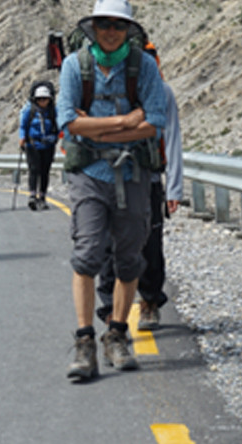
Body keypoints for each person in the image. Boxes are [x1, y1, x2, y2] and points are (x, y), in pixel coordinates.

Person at [57, 0, 167, 381]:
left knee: (129, 256)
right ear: (93, 28)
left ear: (128, 31)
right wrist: (123, 124)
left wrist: (98, 129)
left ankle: (117, 333)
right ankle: (86, 339)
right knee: (87, 252)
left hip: (133, 173)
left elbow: (154, 121)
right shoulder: (74, 66)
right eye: (104, 24)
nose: (110, 32)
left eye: (118, 25)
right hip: (89, 174)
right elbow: (69, 121)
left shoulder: (145, 67)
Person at [95, 56, 184, 332]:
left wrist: (174, 187)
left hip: (148, 178)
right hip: (109, 176)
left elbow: (171, 138)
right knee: (108, 245)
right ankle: (111, 310)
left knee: (149, 244)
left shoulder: (162, 91)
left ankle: (149, 302)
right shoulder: (103, 89)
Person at [18, 82, 59, 210]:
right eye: (40, 99)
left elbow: (58, 125)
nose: (42, 101)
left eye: (45, 99)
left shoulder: (53, 112)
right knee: (34, 170)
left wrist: (56, 137)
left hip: (48, 145)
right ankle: (32, 196)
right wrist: (22, 138)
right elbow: (23, 126)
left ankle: (42, 197)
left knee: (44, 171)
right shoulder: (29, 111)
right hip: (32, 145)